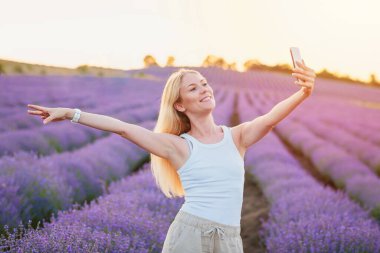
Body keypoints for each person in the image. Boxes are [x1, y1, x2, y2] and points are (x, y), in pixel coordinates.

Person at [27, 60, 316, 253]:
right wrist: (71, 113)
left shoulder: (237, 137)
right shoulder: (178, 146)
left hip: (230, 239)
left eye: (204, 83)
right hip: (190, 236)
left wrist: (304, 93)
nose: (204, 89)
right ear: (179, 105)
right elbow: (126, 129)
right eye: (193, 87)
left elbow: (270, 119)